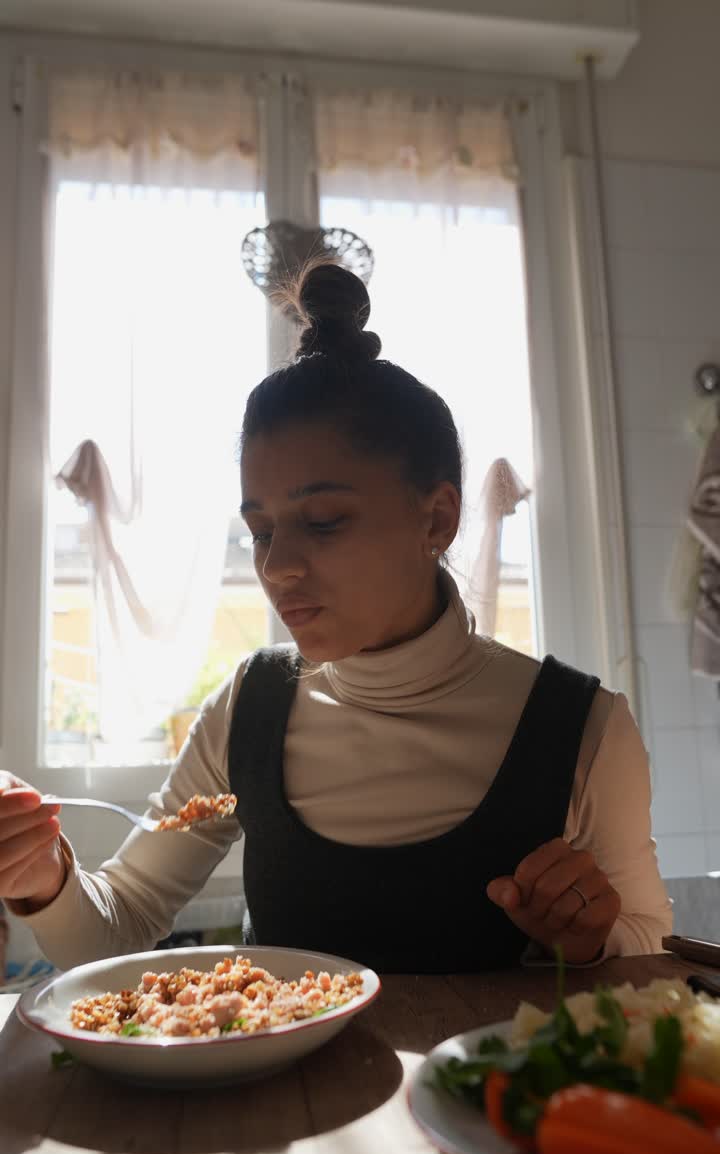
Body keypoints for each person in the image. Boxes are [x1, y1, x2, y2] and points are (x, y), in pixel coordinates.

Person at [0, 264, 671, 973]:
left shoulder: (584, 727)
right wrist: (44, 880)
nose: (276, 567)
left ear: (436, 517)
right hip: (283, 1090)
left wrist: (589, 940)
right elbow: (118, 926)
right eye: (260, 531)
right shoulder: (250, 708)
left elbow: (653, 947)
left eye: (321, 522)